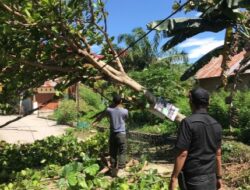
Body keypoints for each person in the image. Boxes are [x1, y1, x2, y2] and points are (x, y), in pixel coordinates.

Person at [169, 87, 223, 190]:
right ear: (208, 103)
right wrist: (219, 177)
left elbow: (183, 154)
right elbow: (218, 154)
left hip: (193, 180)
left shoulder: (188, 123)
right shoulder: (216, 124)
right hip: (211, 177)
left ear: (191, 101)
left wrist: (174, 178)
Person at [93, 94, 128, 177]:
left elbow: (101, 116)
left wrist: (95, 122)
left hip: (112, 134)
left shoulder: (109, 110)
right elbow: (126, 118)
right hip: (121, 134)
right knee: (122, 152)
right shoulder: (125, 111)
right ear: (121, 101)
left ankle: (113, 170)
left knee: (113, 152)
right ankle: (121, 170)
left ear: (113, 101)